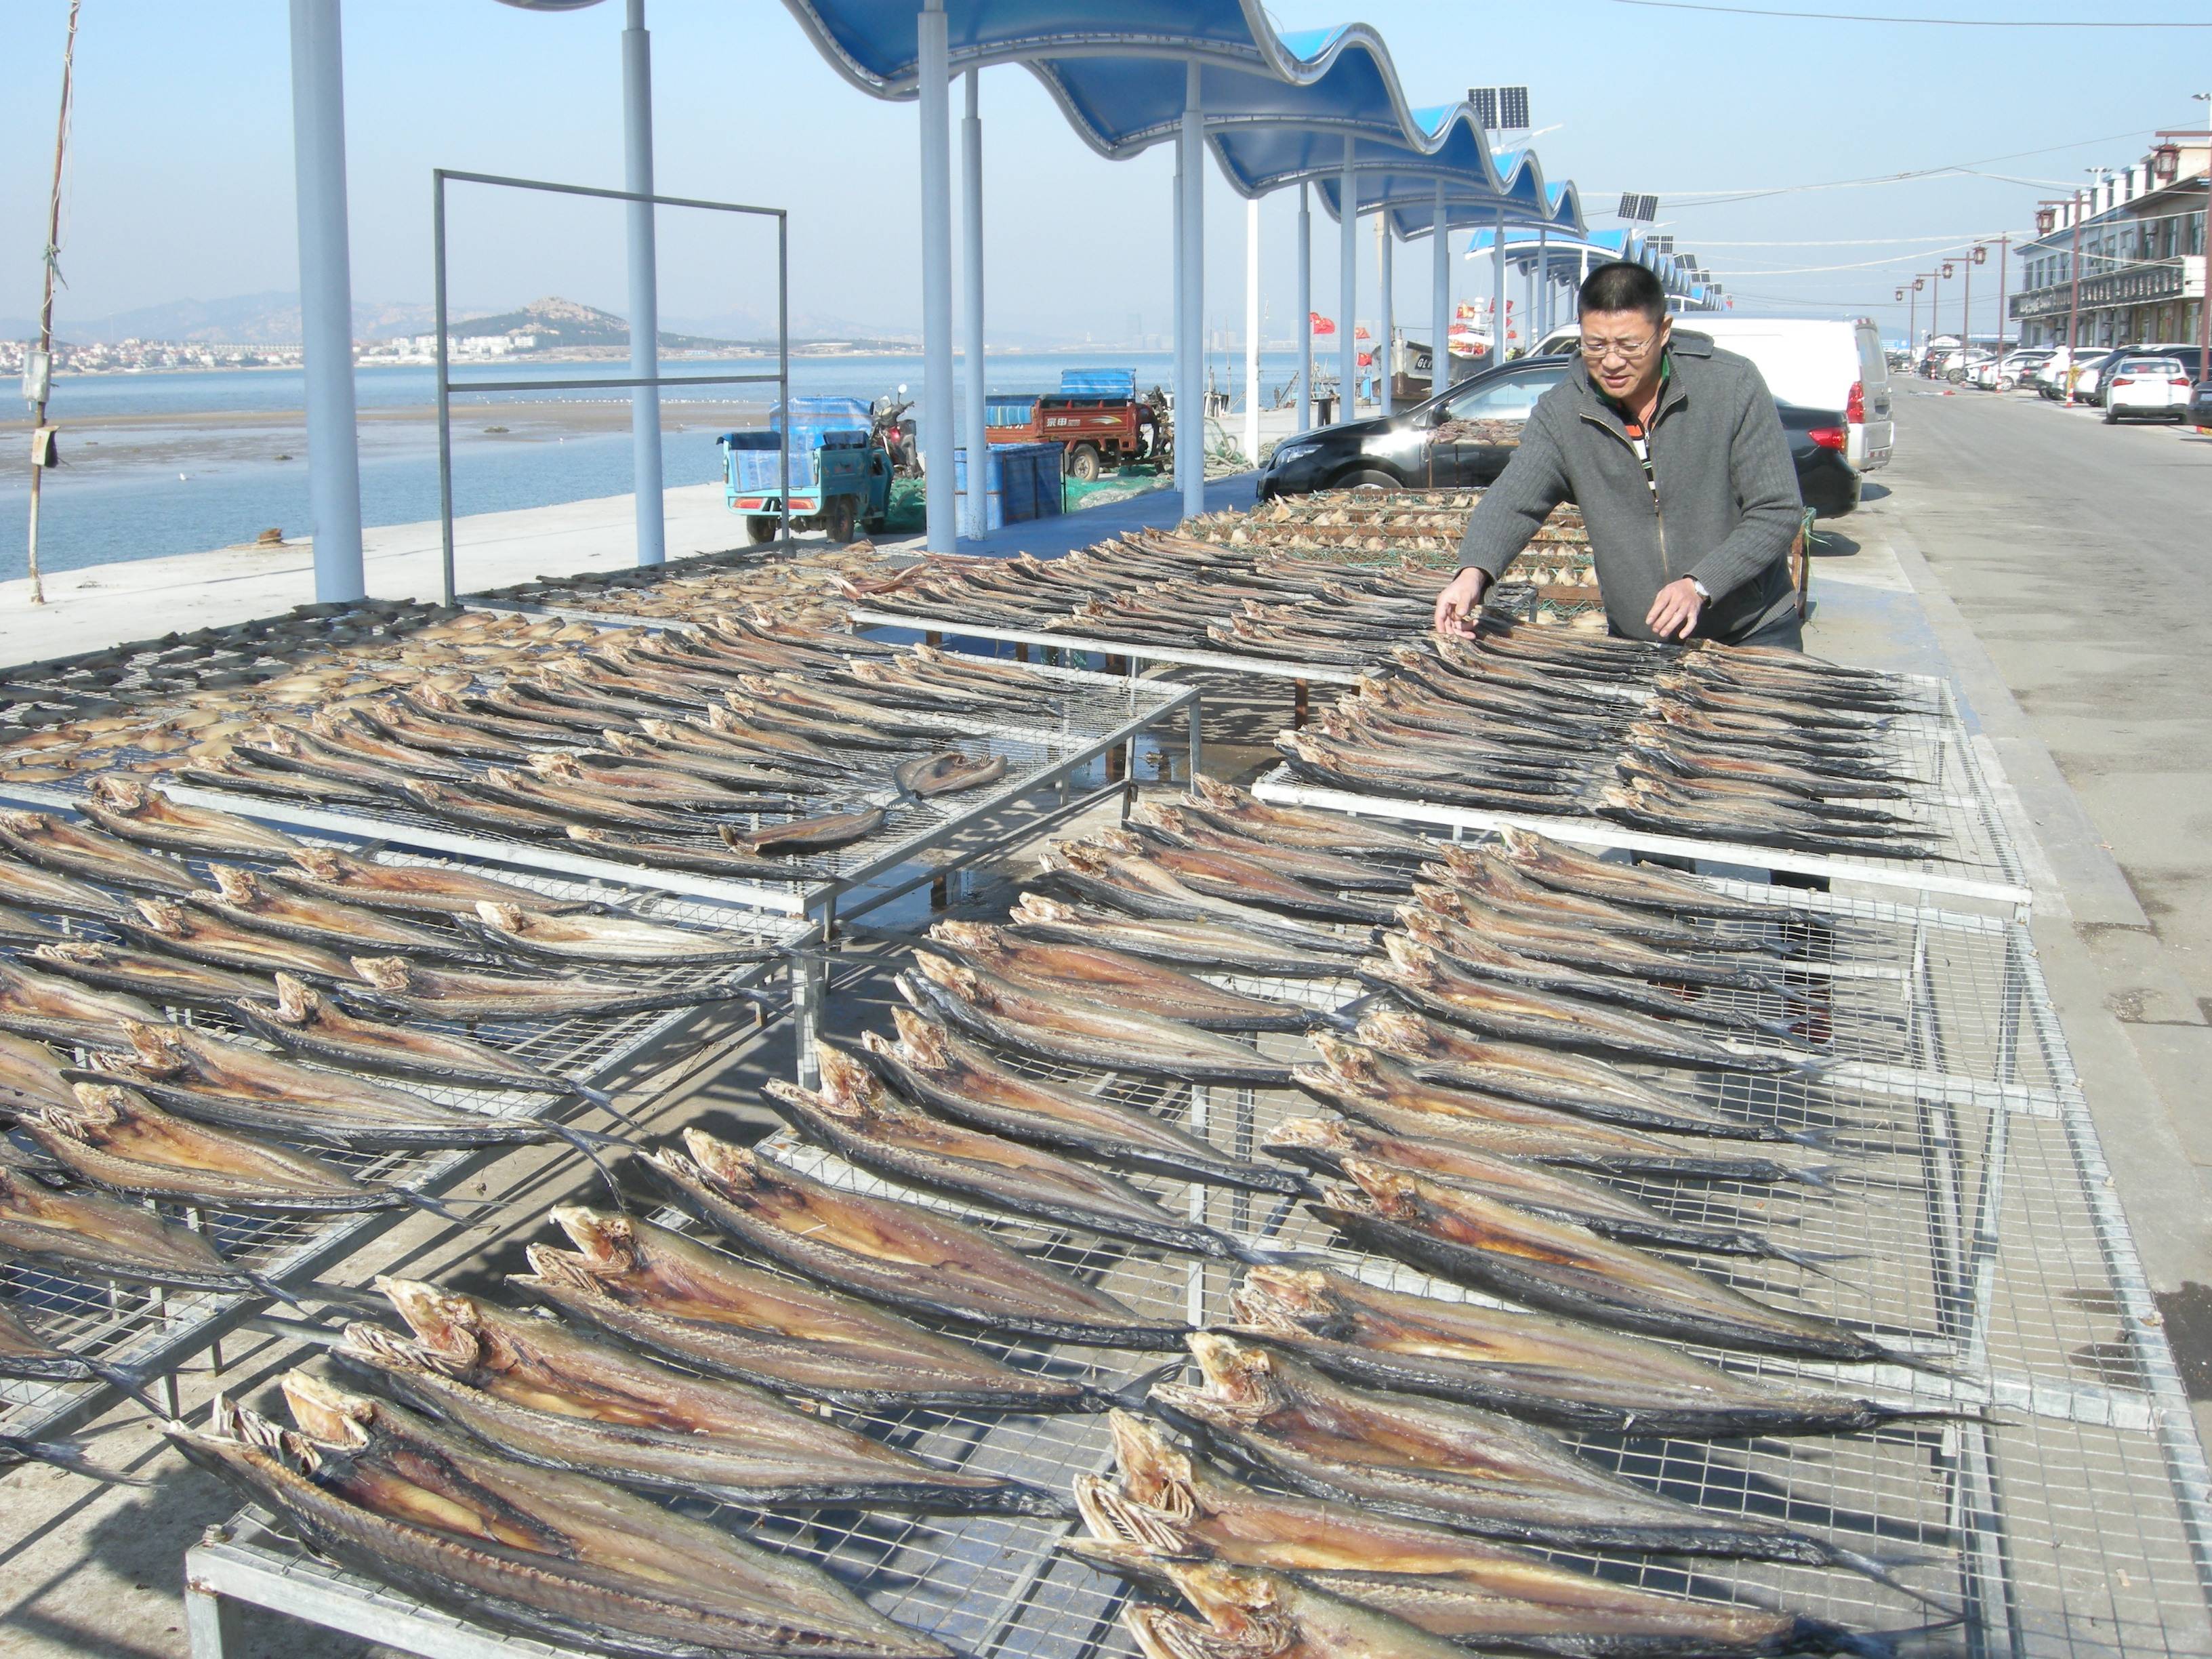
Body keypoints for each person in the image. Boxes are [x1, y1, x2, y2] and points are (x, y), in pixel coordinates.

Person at [1433, 260, 1804, 649]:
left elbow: (1776, 509)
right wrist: (1473, 573)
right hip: (1641, 641)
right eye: (1595, 345)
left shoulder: (1730, 386)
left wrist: (1702, 583)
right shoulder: (1563, 413)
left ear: (1663, 331)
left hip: (1753, 631)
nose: (1611, 361)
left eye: (1630, 345)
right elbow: (1513, 501)